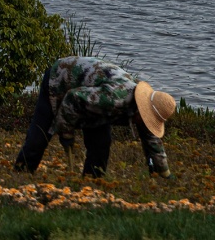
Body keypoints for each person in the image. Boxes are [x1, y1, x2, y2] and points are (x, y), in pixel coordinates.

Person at [14, 56, 176, 178]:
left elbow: (153, 143)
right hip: (61, 79)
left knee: (101, 145)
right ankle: (20, 175)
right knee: (40, 135)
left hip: (92, 94)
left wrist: (164, 175)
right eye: (148, 119)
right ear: (142, 111)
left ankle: (91, 184)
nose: (148, 124)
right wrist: (66, 132)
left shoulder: (145, 108)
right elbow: (72, 98)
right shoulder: (114, 98)